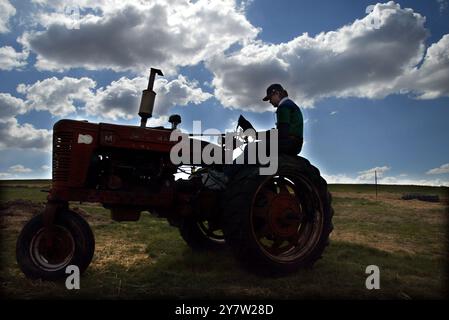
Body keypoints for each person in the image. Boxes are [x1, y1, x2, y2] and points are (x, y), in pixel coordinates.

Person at [262, 83, 303, 155]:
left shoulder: (283, 107)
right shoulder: (290, 104)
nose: (270, 101)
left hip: (288, 144)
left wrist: (257, 135)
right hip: (296, 144)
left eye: (270, 98)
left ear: (277, 93)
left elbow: (282, 133)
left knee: (251, 148)